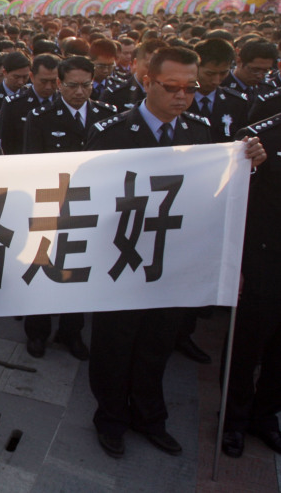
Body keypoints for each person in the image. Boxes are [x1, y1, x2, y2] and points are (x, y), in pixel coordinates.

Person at [85, 46, 266, 459]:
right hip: (121, 258)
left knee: (157, 342)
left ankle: (150, 417)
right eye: (171, 87)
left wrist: (246, 163)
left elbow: (215, 189)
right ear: (147, 81)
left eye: (190, 87)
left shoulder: (198, 133)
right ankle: (110, 419)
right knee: (116, 344)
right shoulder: (114, 132)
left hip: (172, 260)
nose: (182, 96)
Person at [22, 56, 117, 359]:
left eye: (86, 85)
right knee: (43, 269)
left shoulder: (107, 116)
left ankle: (71, 331)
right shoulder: (40, 116)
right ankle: (37, 331)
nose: (79, 92)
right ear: (60, 84)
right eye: (72, 85)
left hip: (90, 206)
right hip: (51, 204)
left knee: (78, 272)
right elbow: (31, 164)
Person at [222, 112, 281, 458]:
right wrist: (236, 262)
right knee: (247, 346)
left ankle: (266, 415)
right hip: (264, 260)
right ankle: (234, 419)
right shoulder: (260, 137)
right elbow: (234, 202)